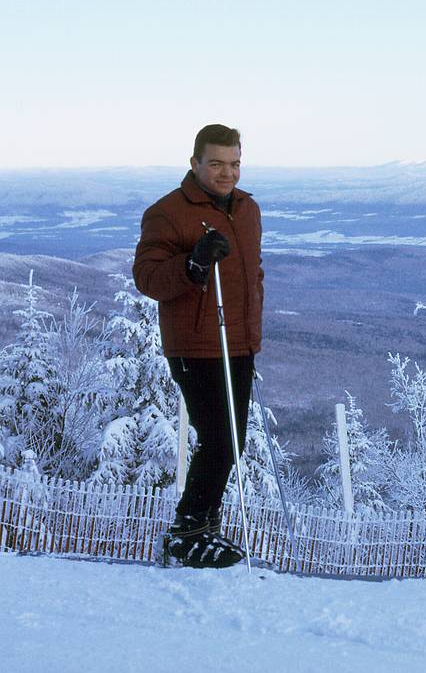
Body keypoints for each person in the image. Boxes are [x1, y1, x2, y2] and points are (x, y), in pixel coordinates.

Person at [133, 124, 264, 567]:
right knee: (220, 438)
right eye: (216, 164)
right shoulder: (168, 213)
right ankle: (186, 531)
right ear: (195, 163)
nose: (227, 173)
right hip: (195, 344)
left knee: (232, 440)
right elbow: (148, 278)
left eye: (234, 164)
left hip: (238, 341)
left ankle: (205, 526)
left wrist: (252, 332)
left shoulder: (247, 210)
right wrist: (192, 264)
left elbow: (253, 276)